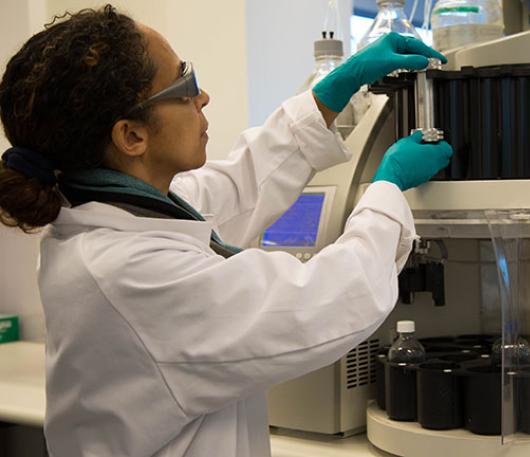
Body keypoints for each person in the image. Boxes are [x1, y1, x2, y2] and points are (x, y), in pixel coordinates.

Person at [0, 5, 452, 457]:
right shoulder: (127, 270)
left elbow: (238, 185)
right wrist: (387, 187)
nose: (204, 97)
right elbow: (322, 301)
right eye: (185, 84)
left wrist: (332, 92)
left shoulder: (117, 211)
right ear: (131, 137)